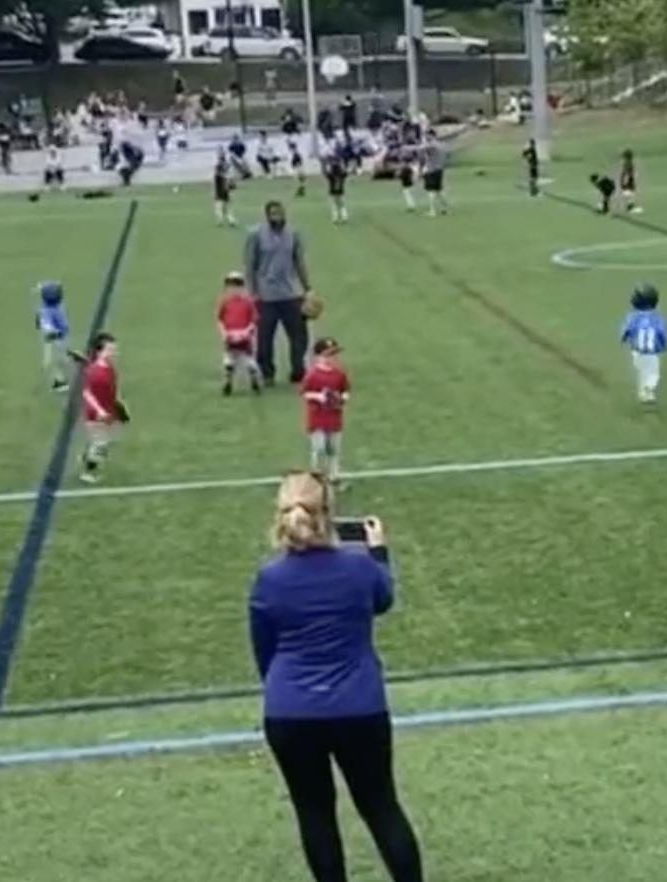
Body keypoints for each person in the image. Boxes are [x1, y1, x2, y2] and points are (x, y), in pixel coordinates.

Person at [249, 472, 425, 882]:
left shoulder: (269, 578)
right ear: (328, 515)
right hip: (359, 706)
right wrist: (380, 552)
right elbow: (383, 600)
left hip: (291, 712)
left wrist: (281, 692)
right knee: (381, 807)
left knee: (314, 813)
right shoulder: (359, 566)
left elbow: (264, 649)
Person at [244, 201, 315, 385]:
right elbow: (250, 265)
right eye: (273, 213)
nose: (277, 216)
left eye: (280, 213)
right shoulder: (256, 235)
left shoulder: (293, 234)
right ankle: (267, 373)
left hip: (291, 294)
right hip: (266, 296)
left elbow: (299, 262)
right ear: (267, 215)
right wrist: (252, 293)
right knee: (264, 338)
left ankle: (298, 370)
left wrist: (308, 288)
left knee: (299, 336)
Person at [76, 332, 127, 484]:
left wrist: (118, 404)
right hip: (97, 415)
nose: (114, 352)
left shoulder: (108, 367)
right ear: (100, 351)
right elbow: (86, 394)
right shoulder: (95, 372)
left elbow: (112, 388)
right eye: (110, 349)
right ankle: (87, 472)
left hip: (109, 411)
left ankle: (87, 455)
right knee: (101, 444)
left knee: (111, 440)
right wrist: (100, 411)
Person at [302, 338, 351, 483]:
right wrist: (319, 397)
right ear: (318, 357)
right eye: (327, 355)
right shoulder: (312, 375)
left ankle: (334, 473)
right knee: (320, 447)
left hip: (334, 417)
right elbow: (305, 392)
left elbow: (345, 390)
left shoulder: (339, 374)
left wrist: (342, 398)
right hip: (317, 418)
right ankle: (316, 472)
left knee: (333, 448)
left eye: (334, 354)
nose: (332, 358)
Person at [620, 283, 667, 404]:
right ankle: (648, 391)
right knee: (653, 374)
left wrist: (624, 338)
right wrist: (664, 345)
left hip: (636, 352)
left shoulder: (632, 317)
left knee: (642, 371)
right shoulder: (657, 318)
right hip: (651, 354)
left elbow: (627, 330)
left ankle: (643, 392)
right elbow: (662, 333)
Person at [218, 271, 263, 396]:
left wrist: (247, 333)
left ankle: (254, 379)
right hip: (230, 335)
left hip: (244, 335)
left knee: (249, 360)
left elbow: (254, 320)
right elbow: (220, 319)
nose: (234, 289)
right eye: (231, 286)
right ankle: (228, 381)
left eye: (237, 286)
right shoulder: (225, 302)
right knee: (229, 360)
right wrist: (224, 333)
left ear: (242, 288)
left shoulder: (248, 303)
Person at [34, 280, 71, 392]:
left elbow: (45, 326)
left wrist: (41, 286)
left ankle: (61, 381)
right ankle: (59, 382)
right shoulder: (53, 308)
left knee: (56, 361)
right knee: (57, 361)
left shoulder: (49, 309)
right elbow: (46, 325)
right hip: (58, 339)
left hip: (57, 339)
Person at [415, 132, 448, 217]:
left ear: (432, 136)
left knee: (431, 191)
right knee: (439, 190)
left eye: (427, 136)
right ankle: (444, 208)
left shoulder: (431, 145)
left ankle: (432, 211)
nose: (426, 137)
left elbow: (420, 149)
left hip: (431, 170)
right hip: (439, 169)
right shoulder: (441, 146)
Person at [325, 153, 350, 224]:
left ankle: (335, 218)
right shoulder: (342, 174)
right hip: (341, 191)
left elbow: (326, 173)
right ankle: (344, 217)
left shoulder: (331, 175)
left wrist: (326, 165)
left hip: (333, 192)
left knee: (334, 205)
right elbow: (346, 173)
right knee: (342, 205)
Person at [213, 154, 237, 227]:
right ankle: (231, 221)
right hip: (226, 194)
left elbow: (217, 171)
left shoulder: (218, 176)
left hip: (220, 194)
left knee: (219, 208)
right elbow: (233, 186)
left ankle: (220, 221)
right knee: (227, 209)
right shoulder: (227, 175)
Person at [617, 148, 641, 214]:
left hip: (627, 180)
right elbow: (627, 173)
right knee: (630, 194)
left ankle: (629, 207)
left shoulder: (627, 163)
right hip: (627, 180)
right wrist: (626, 182)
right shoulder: (628, 163)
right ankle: (630, 208)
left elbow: (627, 172)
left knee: (630, 194)